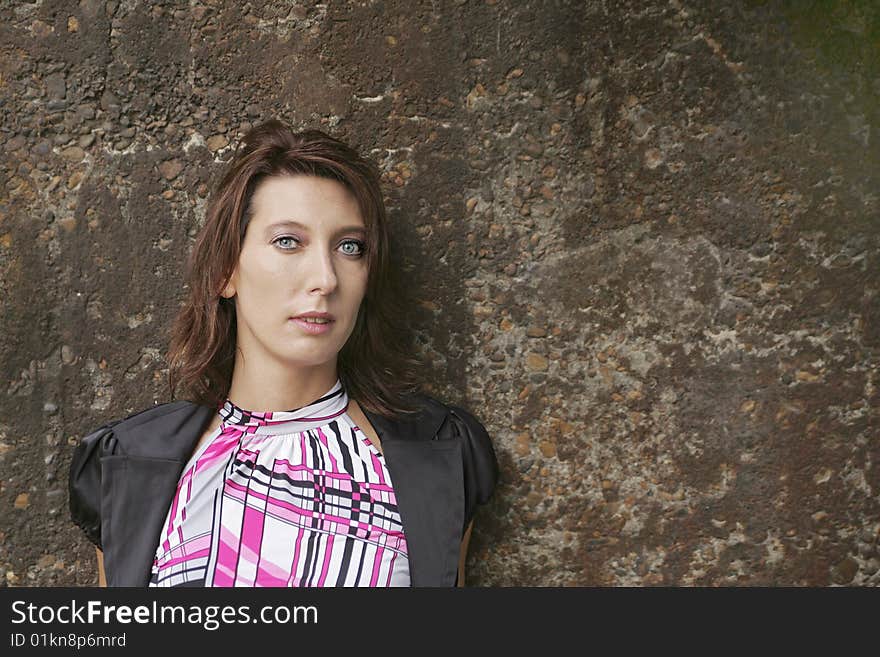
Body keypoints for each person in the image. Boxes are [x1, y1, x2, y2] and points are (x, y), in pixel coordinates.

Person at [68, 119, 499, 587]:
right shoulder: (129, 464)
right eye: (287, 241)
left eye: (350, 247)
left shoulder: (439, 452)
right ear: (224, 272)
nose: (326, 278)